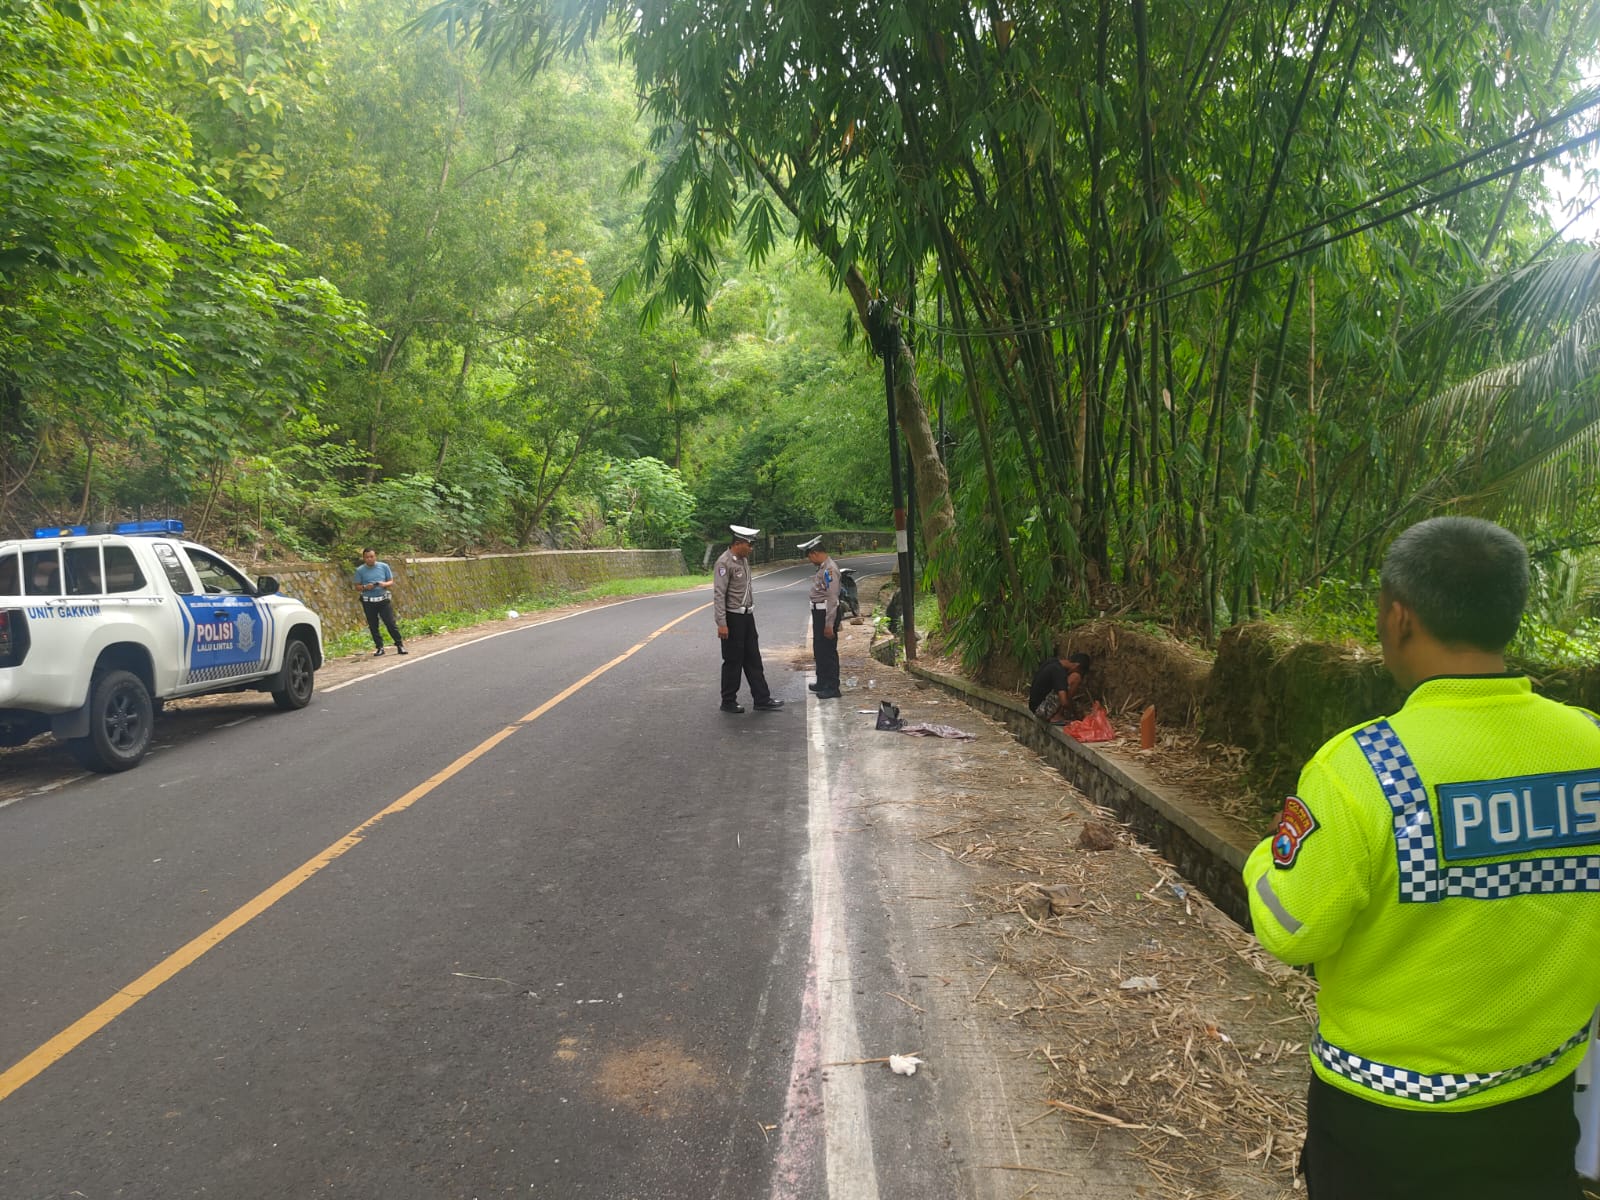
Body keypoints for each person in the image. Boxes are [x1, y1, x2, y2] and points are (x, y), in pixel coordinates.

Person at [1244, 516, 1600, 1199]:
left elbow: (1293, 929)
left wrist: (1267, 857)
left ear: (1399, 617)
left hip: (1385, 1124)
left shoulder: (1365, 767)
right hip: (1539, 1106)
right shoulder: (1590, 746)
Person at [712, 525, 782, 714]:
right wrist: (722, 623)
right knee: (733, 660)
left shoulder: (743, 560)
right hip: (733, 617)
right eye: (749, 545)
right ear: (738, 543)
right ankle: (728, 700)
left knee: (753, 658)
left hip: (747, 616)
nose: (751, 549)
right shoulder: (724, 563)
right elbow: (719, 594)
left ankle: (762, 698)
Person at [800, 536, 842, 699]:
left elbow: (832, 598)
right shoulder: (823, 568)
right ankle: (822, 681)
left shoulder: (829, 570)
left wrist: (829, 623)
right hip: (818, 613)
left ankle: (832, 686)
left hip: (826, 613)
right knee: (819, 649)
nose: (810, 561)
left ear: (815, 553)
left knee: (828, 651)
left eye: (810, 557)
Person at [354, 547, 407, 657]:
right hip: (368, 601)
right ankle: (379, 647)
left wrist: (384, 584)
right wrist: (365, 587)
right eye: (367, 557)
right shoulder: (360, 570)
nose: (369, 559)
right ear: (363, 558)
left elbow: (391, 581)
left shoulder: (384, 566)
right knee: (373, 625)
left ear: (375, 556)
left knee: (390, 623)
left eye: (371, 556)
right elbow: (357, 586)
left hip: (383, 599)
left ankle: (399, 645)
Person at [1029, 649, 1090, 722]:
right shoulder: (1059, 672)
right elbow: (1064, 702)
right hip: (1041, 710)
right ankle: (1057, 716)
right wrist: (1075, 714)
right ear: (1077, 666)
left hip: (1035, 706)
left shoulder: (1053, 662)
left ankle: (1059, 714)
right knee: (1076, 678)